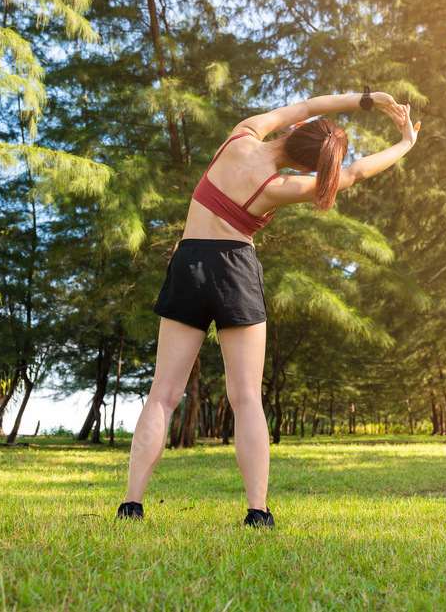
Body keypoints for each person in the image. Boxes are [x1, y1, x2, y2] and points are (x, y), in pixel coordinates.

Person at [116, 90, 420, 527]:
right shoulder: (280, 188)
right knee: (245, 400)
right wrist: (405, 143)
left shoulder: (242, 135)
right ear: (308, 166)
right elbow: (352, 173)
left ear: (297, 132)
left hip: (189, 265)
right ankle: (257, 511)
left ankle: (132, 505)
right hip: (235, 271)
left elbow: (309, 106)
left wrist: (367, 99)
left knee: (163, 396)